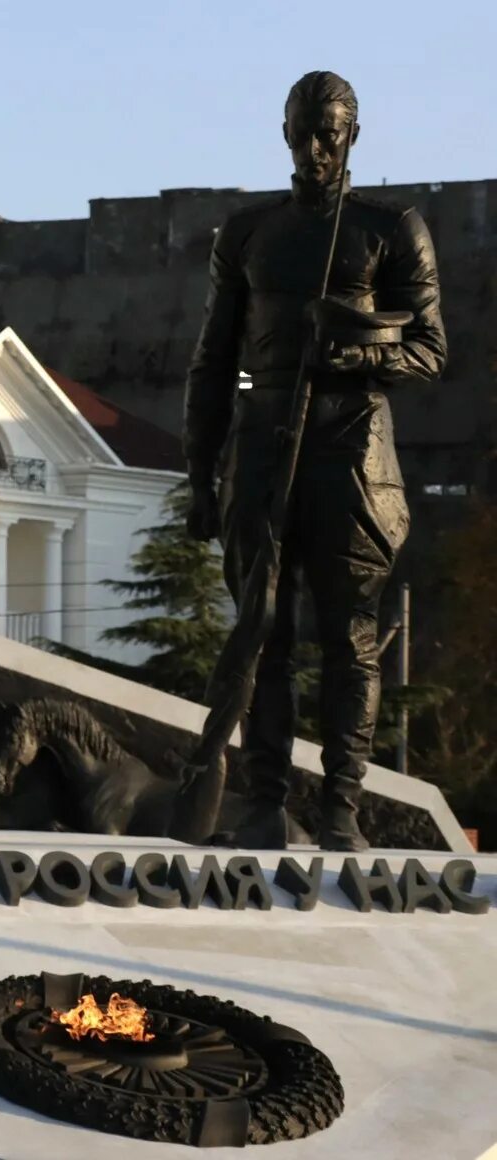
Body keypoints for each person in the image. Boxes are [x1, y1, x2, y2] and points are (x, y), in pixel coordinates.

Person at [182, 71, 446, 851]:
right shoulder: (248, 232)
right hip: (262, 440)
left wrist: (358, 347)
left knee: (350, 636)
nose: (316, 147)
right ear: (286, 130)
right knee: (261, 631)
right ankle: (264, 803)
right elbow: (211, 360)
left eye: (330, 132)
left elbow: (430, 349)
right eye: (303, 129)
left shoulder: (392, 227)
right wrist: (200, 476)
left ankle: (340, 807)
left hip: (355, 448)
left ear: (352, 136)